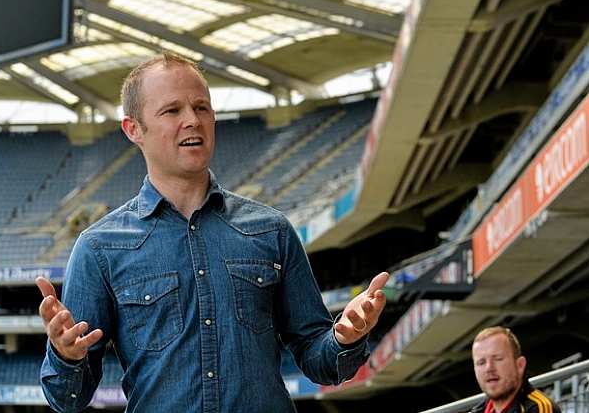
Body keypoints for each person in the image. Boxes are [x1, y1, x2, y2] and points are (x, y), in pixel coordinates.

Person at [35, 52, 389, 413]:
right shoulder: (99, 248)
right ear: (134, 129)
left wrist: (345, 338)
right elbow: (68, 399)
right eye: (172, 111)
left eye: (201, 108)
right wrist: (65, 355)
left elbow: (321, 362)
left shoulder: (272, 230)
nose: (192, 120)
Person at [470, 326, 560, 413]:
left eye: (498, 359)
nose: (489, 368)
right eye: (481, 363)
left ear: (520, 365)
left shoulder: (539, 408)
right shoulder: (477, 410)